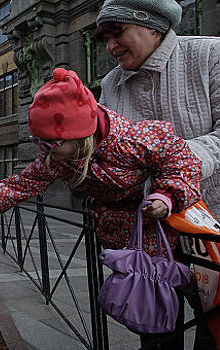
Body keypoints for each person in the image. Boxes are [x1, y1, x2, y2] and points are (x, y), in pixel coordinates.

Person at [0, 68, 205, 348]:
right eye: (39, 142)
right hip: (125, 242)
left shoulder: (132, 140)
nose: (44, 149)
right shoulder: (59, 154)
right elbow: (28, 180)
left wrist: (166, 195)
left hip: (170, 233)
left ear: (82, 135)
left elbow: (182, 160)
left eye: (51, 142)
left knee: (194, 307)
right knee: (152, 316)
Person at [94, 0, 220, 220]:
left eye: (117, 34)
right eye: (106, 40)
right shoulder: (110, 83)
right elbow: (104, 149)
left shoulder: (210, 54)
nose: (110, 47)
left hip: (210, 220)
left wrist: (175, 160)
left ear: (152, 26)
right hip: (140, 231)